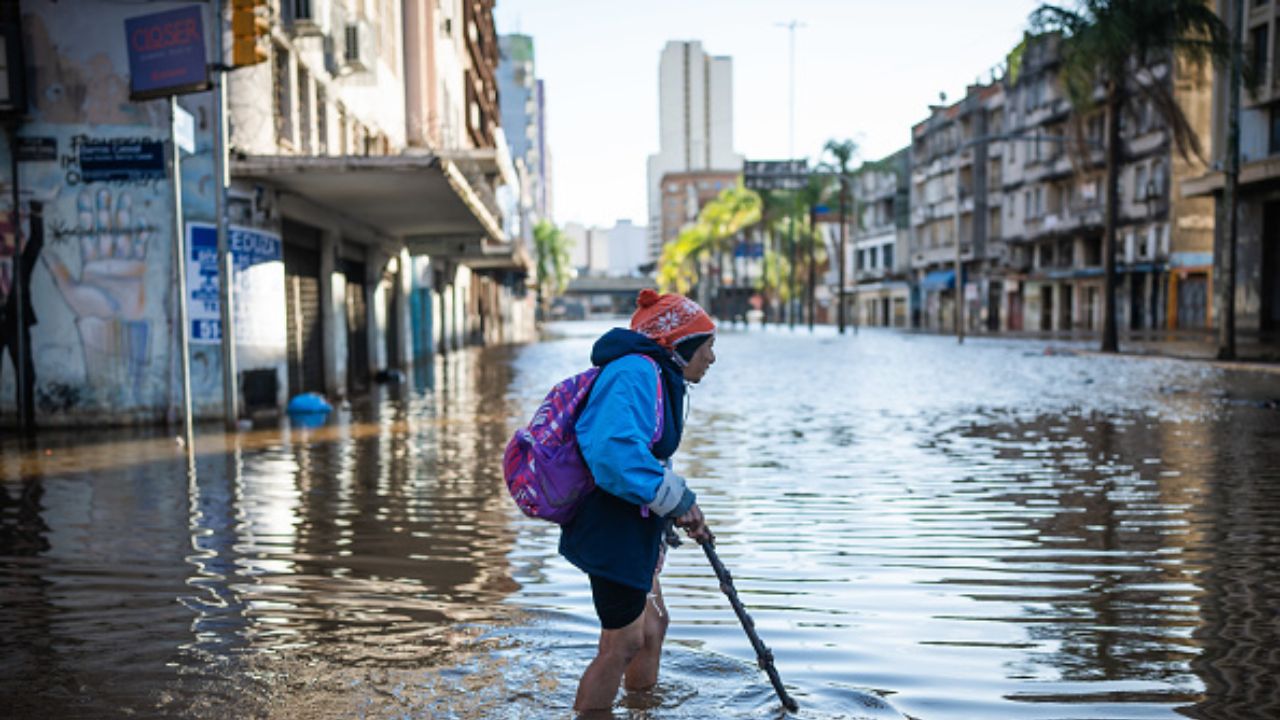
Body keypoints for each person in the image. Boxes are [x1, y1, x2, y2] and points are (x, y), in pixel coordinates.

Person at [562, 288, 717, 712]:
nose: (712, 358)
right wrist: (678, 499)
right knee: (624, 641)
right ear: (681, 345)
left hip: (635, 522)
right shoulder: (635, 372)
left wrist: (678, 510)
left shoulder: (657, 375)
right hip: (611, 526)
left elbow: (646, 455)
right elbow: (613, 454)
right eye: (707, 346)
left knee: (652, 627)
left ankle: (641, 709)